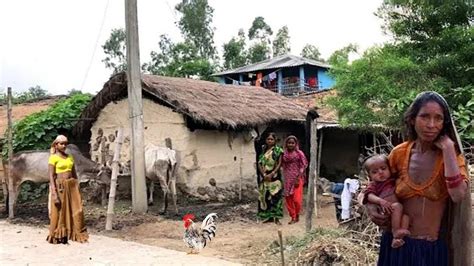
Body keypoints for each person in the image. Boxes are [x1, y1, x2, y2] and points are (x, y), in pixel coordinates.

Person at [364, 91, 468, 265]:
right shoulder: (399, 154)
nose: (431, 124)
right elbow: (377, 184)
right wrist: (369, 205)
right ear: (412, 119)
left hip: (429, 251)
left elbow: (458, 195)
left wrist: (449, 149)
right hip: (396, 245)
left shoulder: (451, 158)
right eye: (425, 117)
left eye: (439, 118)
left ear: (445, 123)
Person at [47, 135, 88, 244]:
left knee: (76, 209)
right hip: (60, 186)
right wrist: (54, 193)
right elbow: (51, 176)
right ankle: (59, 234)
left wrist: (77, 186)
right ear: (56, 145)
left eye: (66, 143)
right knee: (60, 211)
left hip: (72, 185)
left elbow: (74, 173)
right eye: (61, 143)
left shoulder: (69, 157)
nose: (64, 145)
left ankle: (74, 232)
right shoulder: (53, 158)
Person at [362, 154, 410, 248]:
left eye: (383, 168)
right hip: (385, 211)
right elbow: (369, 196)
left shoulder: (393, 181)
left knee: (406, 217)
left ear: (390, 169)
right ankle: (395, 232)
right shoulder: (374, 185)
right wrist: (380, 201)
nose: (380, 172)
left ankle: (397, 239)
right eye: (375, 172)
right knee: (397, 206)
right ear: (370, 176)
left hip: (396, 214)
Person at [257, 132, 284, 225]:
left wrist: (272, 173)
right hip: (265, 176)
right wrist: (264, 174)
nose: (269, 141)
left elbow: (280, 163)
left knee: (276, 197)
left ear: (275, 140)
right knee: (265, 197)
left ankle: (276, 218)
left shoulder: (278, 150)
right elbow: (259, 162)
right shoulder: (263, 149)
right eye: (268, 139)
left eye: (271, 139)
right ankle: (268, 217)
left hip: (275, 177)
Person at [281, 135, 308, 224]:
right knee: (288, 199)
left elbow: (304, 165)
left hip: (297, 179)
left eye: (292, 143)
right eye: (289, 143)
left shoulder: (299, 153)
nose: (291, 145)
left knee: (297, 200)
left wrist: (298, 177)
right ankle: (292, 217)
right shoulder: (284, 154)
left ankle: (297, 214)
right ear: (286, 144)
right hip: (287, 179)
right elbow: (281, 164)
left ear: (295, 144)